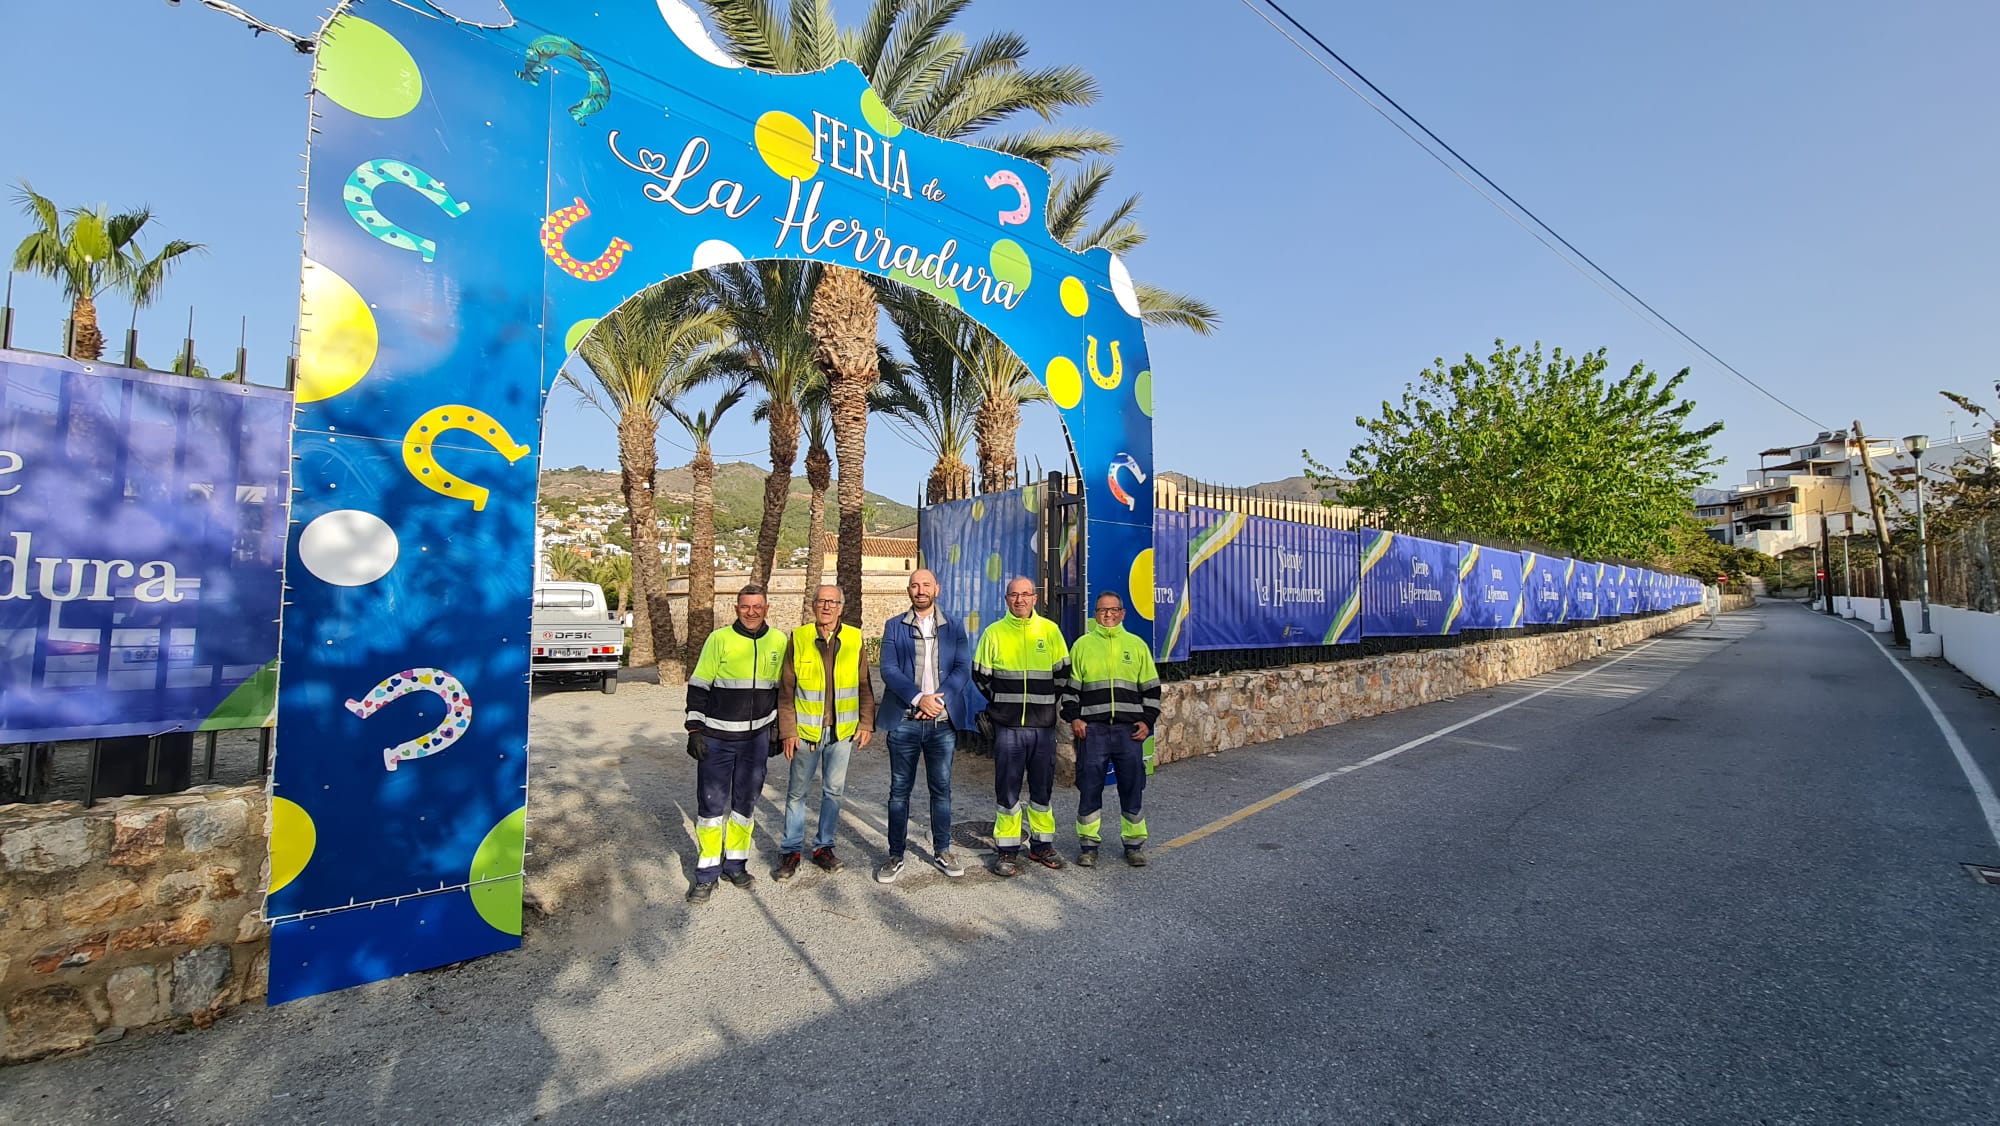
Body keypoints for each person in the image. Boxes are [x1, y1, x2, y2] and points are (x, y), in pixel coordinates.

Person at [683, 585, 790, 904]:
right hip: (717, 737)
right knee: (712, 806)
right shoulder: (719, 639)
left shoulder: (779, 641)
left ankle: (735, 864)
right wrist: (694, 729)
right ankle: (707, 873)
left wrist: (777, 730)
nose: (752, 612)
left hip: (755, 740)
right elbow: (699, 684)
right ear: (736, 608)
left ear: (767, 608)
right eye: (746, 606)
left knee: (745, 803)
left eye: (757, 606)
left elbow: (782, 690)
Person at [875, 568, 981, 883]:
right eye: (914, 585)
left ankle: (943, 850)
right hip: (904, 722)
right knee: (899, 791)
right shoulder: (894, 626)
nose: (920, 590)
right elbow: (889, 670)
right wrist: (920, 698)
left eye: (926, 585)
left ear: (938, 588)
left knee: (942, 789)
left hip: (942, 723)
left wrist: (939, 700)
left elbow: (963, 668)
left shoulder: (954, 627)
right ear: (908, 590)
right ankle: (895, 855)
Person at [972, 576, 1071, 877]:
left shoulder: (1050, 631)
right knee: (1008, 790)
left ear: (1035, 598)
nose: (1019, 600)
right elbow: (980, 676)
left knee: (1042, 789)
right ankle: (1007, 850)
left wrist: (1043, 702)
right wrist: (1003, 705)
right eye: (1014, 595)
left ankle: (1042, 846)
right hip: (1009, 728)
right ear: (1006, 599)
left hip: (1043, 728)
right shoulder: (994, 633)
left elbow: (1063, 674)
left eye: (1025, 594)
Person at [774, 584, 875, 879]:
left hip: (842, 732)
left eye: (833, 602)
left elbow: (864, 685)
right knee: (796, 793)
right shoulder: (800, 637)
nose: (827, 607)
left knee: (833, 792)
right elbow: (787, 689)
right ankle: (791, 850)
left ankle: (823, 848)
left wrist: (866, 722)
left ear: (841, 607)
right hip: (807, 732)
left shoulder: (854, 638)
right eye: (821, 601)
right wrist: (788, 730)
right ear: (813, 605)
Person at [1062, 591, 1161, 867]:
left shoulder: (1137, 646)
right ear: (1095, 614)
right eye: (1102, 610)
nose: (1107, 615)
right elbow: (1071, 692)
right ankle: (1088, 845)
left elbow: (1152, 689)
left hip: (1128, 732)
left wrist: (1147, 720)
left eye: (1113, 610)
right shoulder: (1082, 646)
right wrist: (1074, 719)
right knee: (1090, 786)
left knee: (1132, 786)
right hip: (1092, 731)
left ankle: (1134, 843)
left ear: (1122, 613)